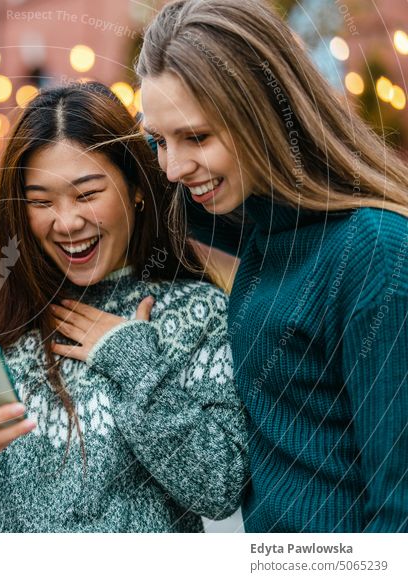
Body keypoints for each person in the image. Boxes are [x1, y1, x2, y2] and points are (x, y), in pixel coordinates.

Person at [0, 83, 247, 532]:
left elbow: (219, 488)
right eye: (41, 201)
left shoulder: (195, 313)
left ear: (137, 188)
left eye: (87, 194)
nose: (66, 223)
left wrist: (134, 362)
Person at [137, 0, 408, 532]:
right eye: (161, 139)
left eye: (196, 137)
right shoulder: (263, 222)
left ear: (261, 113)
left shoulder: (375, 252)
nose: (171, 167)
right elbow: (129, 166)